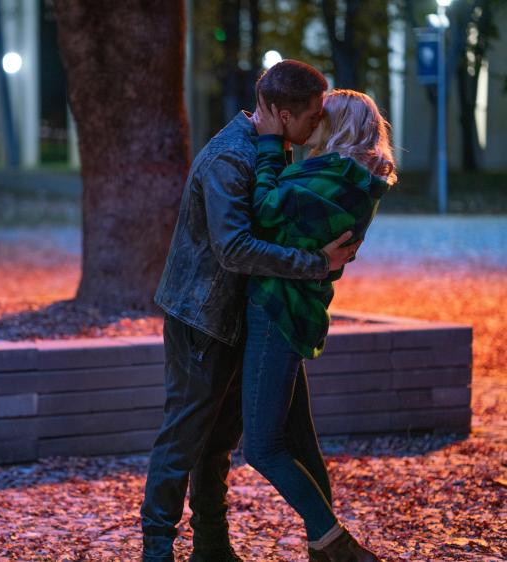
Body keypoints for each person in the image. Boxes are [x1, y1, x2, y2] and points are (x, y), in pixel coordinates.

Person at [141, 60, 359, 562]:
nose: (318, 124)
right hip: (201, 318)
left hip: (238, 316)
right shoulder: (231, 158)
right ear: (283, 115)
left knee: (217, 440)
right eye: (312, 117)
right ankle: (156, 549)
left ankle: (212, 546)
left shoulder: (269, 149)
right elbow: (233, 249)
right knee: (183, 438)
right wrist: (316, 263)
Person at [241, 89, 396, 562]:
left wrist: (271, 146)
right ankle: (322, 548)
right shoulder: (352, 179)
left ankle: (338, 545)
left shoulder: (335, 178)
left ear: (337, 126)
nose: (311, 121)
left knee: (261, 448)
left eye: (319, 116)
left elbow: (265, 211)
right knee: (300, 443)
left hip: (279, 310)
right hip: (297, 309)